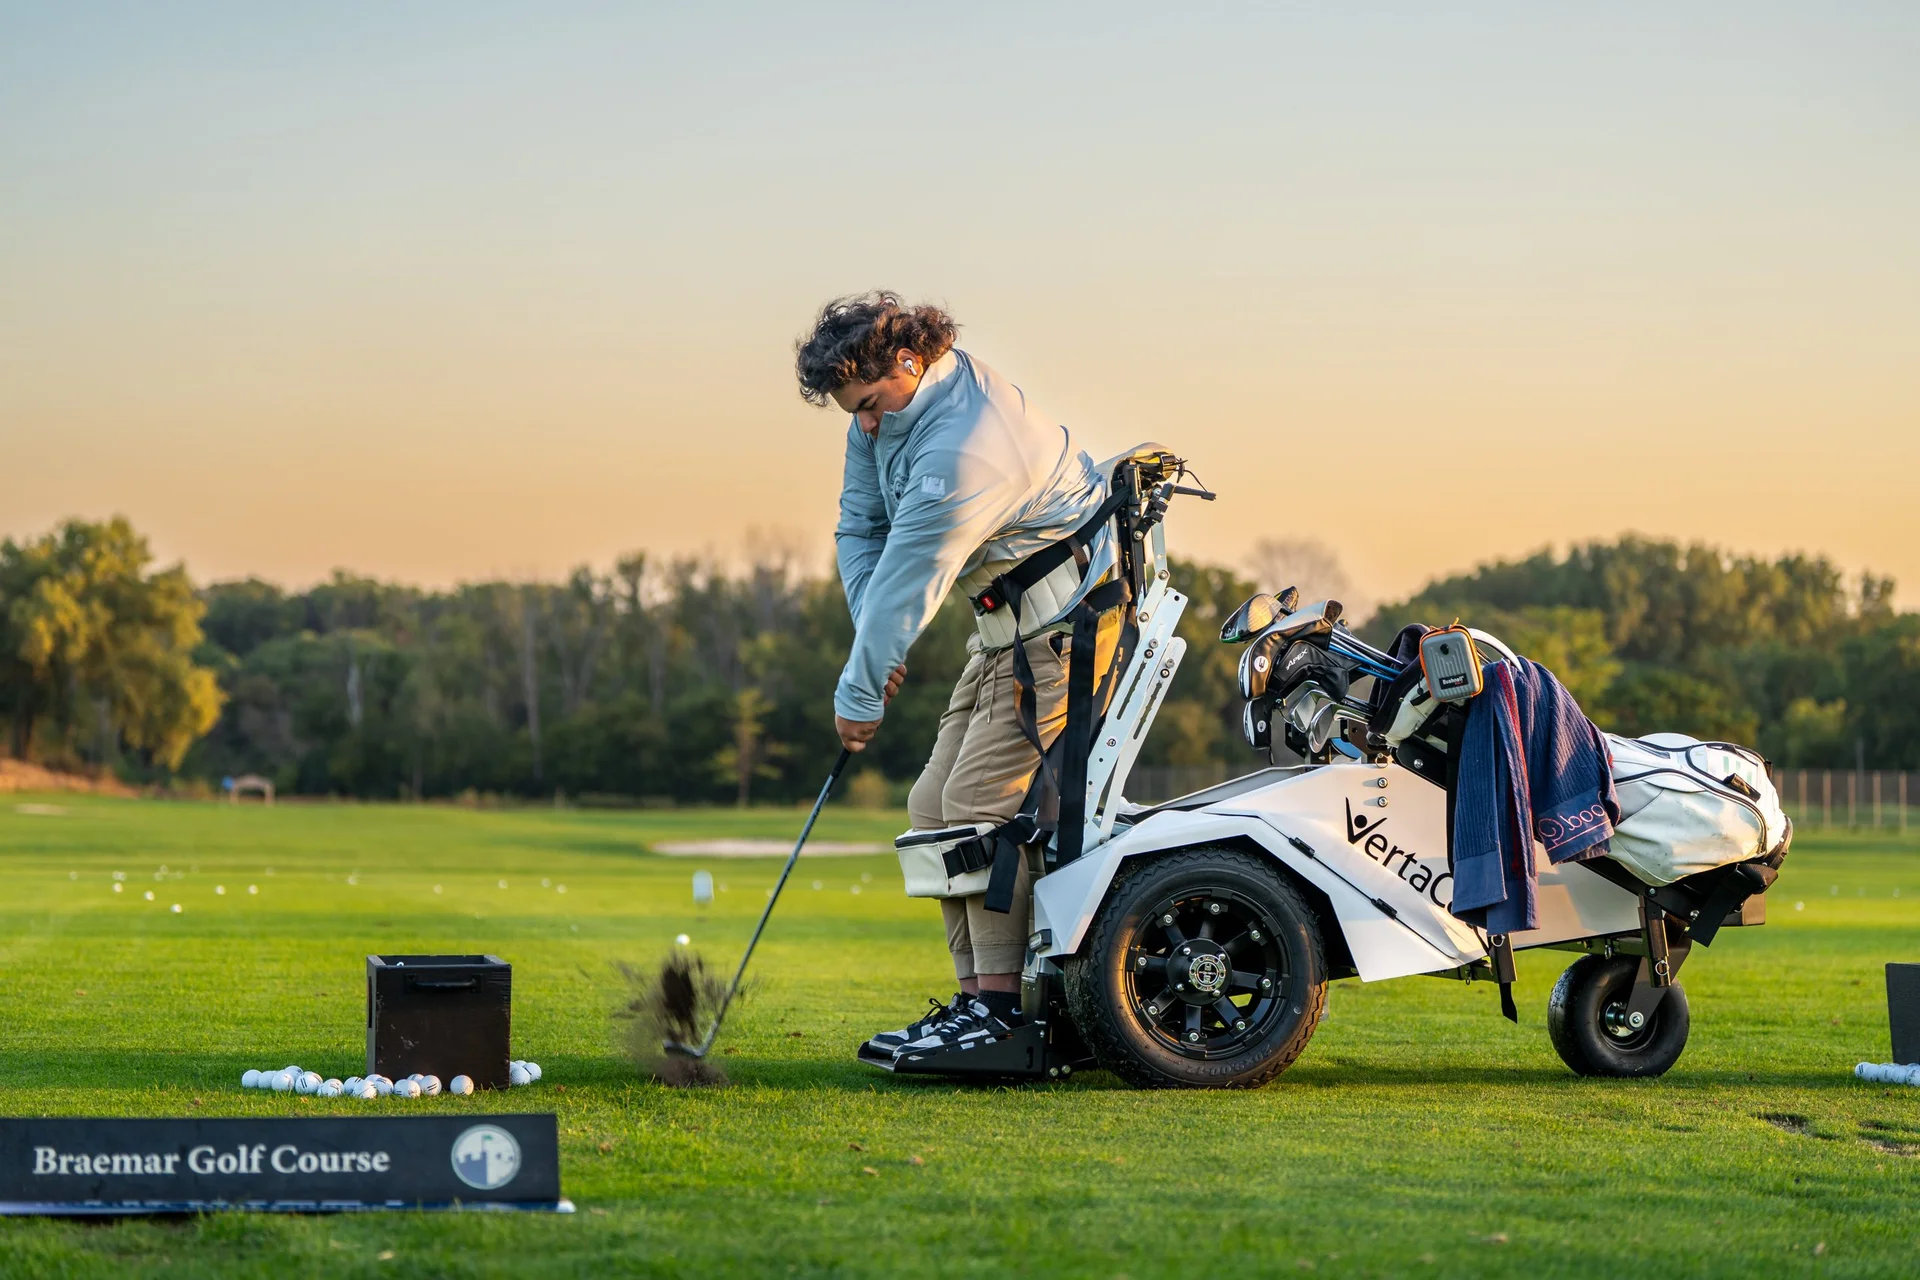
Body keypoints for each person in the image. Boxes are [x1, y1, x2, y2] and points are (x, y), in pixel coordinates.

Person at [794, 292, 1120, 1057]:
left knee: (978, 805)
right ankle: (974, 1004)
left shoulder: (964, 447)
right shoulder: (888, 417)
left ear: (909, 362)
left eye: (870, 405)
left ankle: (1004, 1017)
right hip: (1004, 629)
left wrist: (860, 692)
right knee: (932, 802)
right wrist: (877, 646)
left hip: (1070, 629)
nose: (865, 425)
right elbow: (860, 527)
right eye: (853, 413)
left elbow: (911, 576)